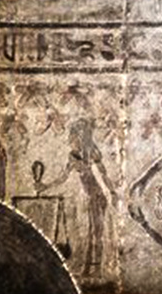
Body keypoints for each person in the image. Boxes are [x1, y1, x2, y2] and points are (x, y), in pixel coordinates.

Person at [36, 119, 118, 278]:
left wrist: (113, 193)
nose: (69, 141)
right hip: (89, 197)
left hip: (98, 197)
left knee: (97, 233)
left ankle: (97, 268)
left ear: (80, 138)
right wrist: (46, 186)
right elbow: (63, 177)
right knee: (89, 233)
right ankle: (87, 268)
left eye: (72, 137)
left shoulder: (92, 153)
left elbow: (104, 174)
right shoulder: (73, 156)